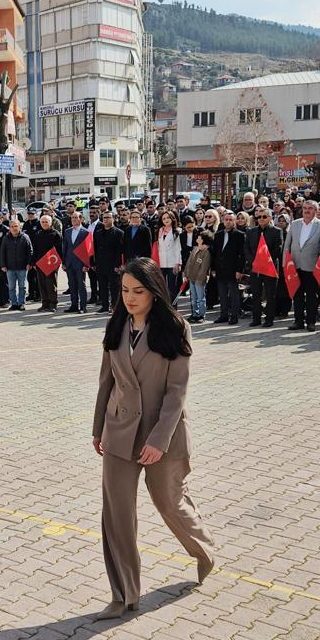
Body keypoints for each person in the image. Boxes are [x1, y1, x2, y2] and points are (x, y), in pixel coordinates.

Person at [91, 258, 215, 620]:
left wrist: (159, 440)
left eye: (138, 292)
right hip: (118, 432)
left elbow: (177, 393)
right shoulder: (115, 325)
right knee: (116, 516)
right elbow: (105, 383)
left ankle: (204, 549)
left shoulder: (176, 328)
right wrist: (98, 428)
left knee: (170, 503)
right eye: (125, 291)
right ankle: (125, 594)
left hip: (164, 434)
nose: (130, 298)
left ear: (154, 292)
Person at [285, 201, 320, 332]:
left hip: (312, 266)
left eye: (310, 208)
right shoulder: (294, 224)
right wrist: (285, 264)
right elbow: (287, 245)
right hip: (294, 266)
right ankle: (298, 321)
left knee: (312, 296)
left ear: (316, 210)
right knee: (297, 294)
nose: (307, 210)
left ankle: (311, 321)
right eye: (305, 208)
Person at [245, 209, 283, 328]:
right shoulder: (251, 232)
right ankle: (256, 318)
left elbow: (278, 249)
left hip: (270, 268)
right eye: (259, 217)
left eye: (264, 216)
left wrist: (266, 261)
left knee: (270, 295)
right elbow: (246, 249)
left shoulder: (277, 231)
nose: (261, 219)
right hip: (255, 268)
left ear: (270, 218)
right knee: (256, 294)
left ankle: (269, 319)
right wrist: (254, 262)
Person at [211, 212, 245, 325]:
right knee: (222, 294)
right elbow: (215, 253)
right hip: (220, 269)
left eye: (231, 219)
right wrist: (213, 268)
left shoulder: (240, 235)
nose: (228, 221)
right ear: (223, 221)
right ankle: (223, 315)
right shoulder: (218, 235)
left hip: (233, 269)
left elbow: (242, 255)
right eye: (226, 219)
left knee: (234, 294)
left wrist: (239, 271)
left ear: (234, 221)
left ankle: (234, 316)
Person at [94, 213, 125, 313]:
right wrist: (94, 263)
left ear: (113, 219)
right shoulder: (98, 232)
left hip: (113, 265)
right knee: (102, 286)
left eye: (108, 217)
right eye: (104, 218)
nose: (106, 219)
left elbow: (120, 250)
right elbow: (95, 249)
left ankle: (114, 306)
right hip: (101, 264)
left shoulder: (119, 232)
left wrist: (118, 265)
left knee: (114, 287)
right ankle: (104, 305)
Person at [0, 217, 33, 311]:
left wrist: (29, 263)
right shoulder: (6, 238)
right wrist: (3, 265)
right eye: (12, 226)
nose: (14, 228)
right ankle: (14, 303)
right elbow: (2, 252)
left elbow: (30, 251)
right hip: (10, 267)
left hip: (22, 267)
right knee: (11, 287)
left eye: (16, 226)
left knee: (22, 286)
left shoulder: (25, 237)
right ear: (9, 228)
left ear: (19, 227)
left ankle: (21, 303)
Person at [32, 215, 62, 312]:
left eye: (46, 222)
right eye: (43, 222)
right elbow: (34, 249)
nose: (44, 224)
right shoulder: (38, 234)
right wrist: (34, 262)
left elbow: (60, 250)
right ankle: (45, 304)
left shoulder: (56, 234)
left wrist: (60, 262)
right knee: (42, 284)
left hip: (52, 263)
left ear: (50, 223)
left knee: (51, 284)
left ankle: (53, 304)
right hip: (40, 263)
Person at [62, 217, 92, 313]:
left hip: (80, 263)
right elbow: (65, 248)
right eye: (72, 218)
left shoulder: (86, 232)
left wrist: (86, 264)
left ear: (81, 219)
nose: (74, 219)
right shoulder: (67, 231)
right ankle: (74, 305)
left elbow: (88, 250)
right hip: (69, 262)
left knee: (81, 285)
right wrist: (64, 262)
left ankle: (83, 307)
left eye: (76, 217)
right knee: (72, 285)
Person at [154, 211, 182, 302]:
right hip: (161, 262)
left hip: (172, 262)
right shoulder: (160, 230)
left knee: (172, 286)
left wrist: (178, 263)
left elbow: (178, 248)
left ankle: (173, 307)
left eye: (168, 217)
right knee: (161, 285)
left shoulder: (178, 231)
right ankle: (163, 306)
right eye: (164, 218)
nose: (166, 220)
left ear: (172, 218)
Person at [184, 231, 212, 323]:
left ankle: (201, 315)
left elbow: (204, 267)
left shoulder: (206, 252)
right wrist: (186, 274)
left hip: (199, 279)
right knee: (193, 298)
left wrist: (200, 279)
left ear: (203, 240)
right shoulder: (195, 249)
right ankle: (194, 314)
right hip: (191, 277)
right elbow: (189, 263)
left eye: (199, 237)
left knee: (200, 298)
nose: (197, 238)